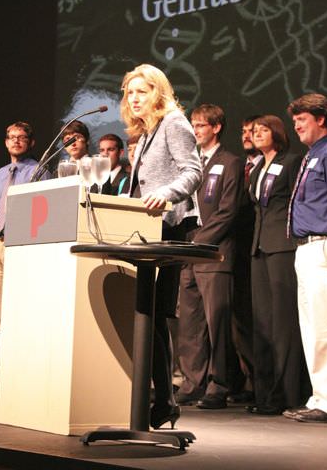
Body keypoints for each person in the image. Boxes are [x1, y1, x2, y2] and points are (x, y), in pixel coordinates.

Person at [121, 63, 201, 429]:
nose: (134, 99)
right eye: (130, 93)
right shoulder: (149, 131)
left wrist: (164, 195)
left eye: (141, 91)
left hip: (169, 228)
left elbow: (193, 171)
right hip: (147, 228)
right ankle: (162, 398)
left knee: (153, 313)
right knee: (148, 315)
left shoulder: (174, 123)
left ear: (158, 91)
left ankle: (164, 397)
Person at [177, 104, 243, 409]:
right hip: (188, 247)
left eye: (201, 125)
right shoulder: (188, 164)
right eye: (193, 125)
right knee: (190, 320)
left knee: (217, 321)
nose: (195, 131)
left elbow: (228, 211)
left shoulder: (229, 162)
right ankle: (192, 383)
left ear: (216, 128)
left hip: (213, 250)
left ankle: (220, 383)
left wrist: (202, 242)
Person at [284, 94, 327, 423]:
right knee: (313, 328)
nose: (296, 125)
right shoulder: (312, 155)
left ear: (321, 119)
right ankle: (323, 396)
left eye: (302, 119)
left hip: (326, 246)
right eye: (294, 120)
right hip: (306, 249)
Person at [247, 115, 307, 415]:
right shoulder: (257, 166)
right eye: (254, 130)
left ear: (277, 133)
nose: (257, 133)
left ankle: (287, 394)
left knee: (284, 323)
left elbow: (299, 201)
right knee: (263, 324)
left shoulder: (292, 160)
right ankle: (264, 395)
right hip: (258, 248)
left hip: (282, 247)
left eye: (263, 129)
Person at [0, 121, 43, 389]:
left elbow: (43, 209)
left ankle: (24, 370)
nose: (16, 141)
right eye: (11, 137)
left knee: (22, 309)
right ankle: (6, 370)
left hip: (23, 244)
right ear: (5, 142)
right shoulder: (0, 173)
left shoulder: (39, 170)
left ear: (31, 142)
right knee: (1, 312)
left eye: (22, 137)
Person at [228, 115, 262, 403]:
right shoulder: (239, 166)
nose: (247, 136)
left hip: (260, 249)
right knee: (237, 319)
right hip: (236, 251)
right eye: (243, 131)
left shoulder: (271, 164)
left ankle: (260, 383)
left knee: (256, 318)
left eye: (252, 131)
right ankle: (245, 380)